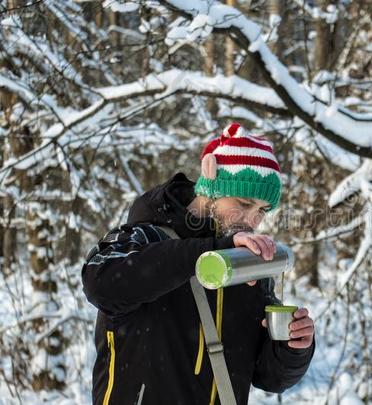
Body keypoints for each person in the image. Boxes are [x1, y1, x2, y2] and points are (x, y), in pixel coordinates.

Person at [81, 122, 315, 405]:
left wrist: (293, 347)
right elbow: (101, 284)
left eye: (262, 210)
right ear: (211, 182)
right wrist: (211, 252)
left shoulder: (244, 263)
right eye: (243, 202)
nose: (252, 220)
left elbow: (267, 377)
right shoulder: (143, 236)